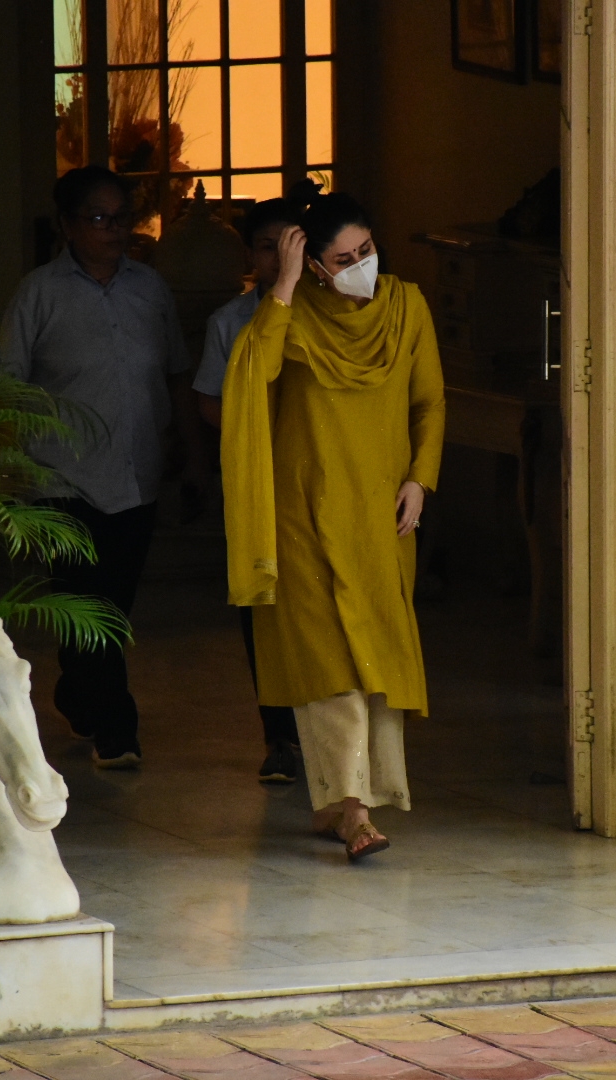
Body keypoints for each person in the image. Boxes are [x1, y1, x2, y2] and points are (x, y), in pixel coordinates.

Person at [221, 192, 445, 862]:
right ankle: (354, 813)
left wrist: (420, 480)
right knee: (330, 666)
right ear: (315, 267)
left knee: (375, 663)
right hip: (304, 518)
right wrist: (282, 288)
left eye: (366, 251)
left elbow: (430, 401)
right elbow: (249, 378)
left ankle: (336, 803)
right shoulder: (287, 316)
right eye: (342, 259)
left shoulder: (407, 307)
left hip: (381, 515)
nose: (360, 266)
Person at [0, 165, 203, 769]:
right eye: (98, 218)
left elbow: (176, 375)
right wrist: (10, 472)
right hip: (63, 481)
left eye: (122, 219)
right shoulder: (38, 293)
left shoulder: (151, 289)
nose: (113, 231)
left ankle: (77, 691)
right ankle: (118, 729)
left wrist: (191, 460)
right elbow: (7, 384)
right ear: (66, 225)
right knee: (90, 604)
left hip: (136, 476)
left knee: (113, 605)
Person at [195, 195, 308, 785]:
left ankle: (324, 740)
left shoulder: (331, 312)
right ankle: (279, 738)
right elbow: (209, 403)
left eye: (292, 244)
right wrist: (255, 422)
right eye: (269, 247)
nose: (280, 258)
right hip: (256, 480)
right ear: (253, 254)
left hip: (315, 481)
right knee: (260, 605)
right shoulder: (230, 322)